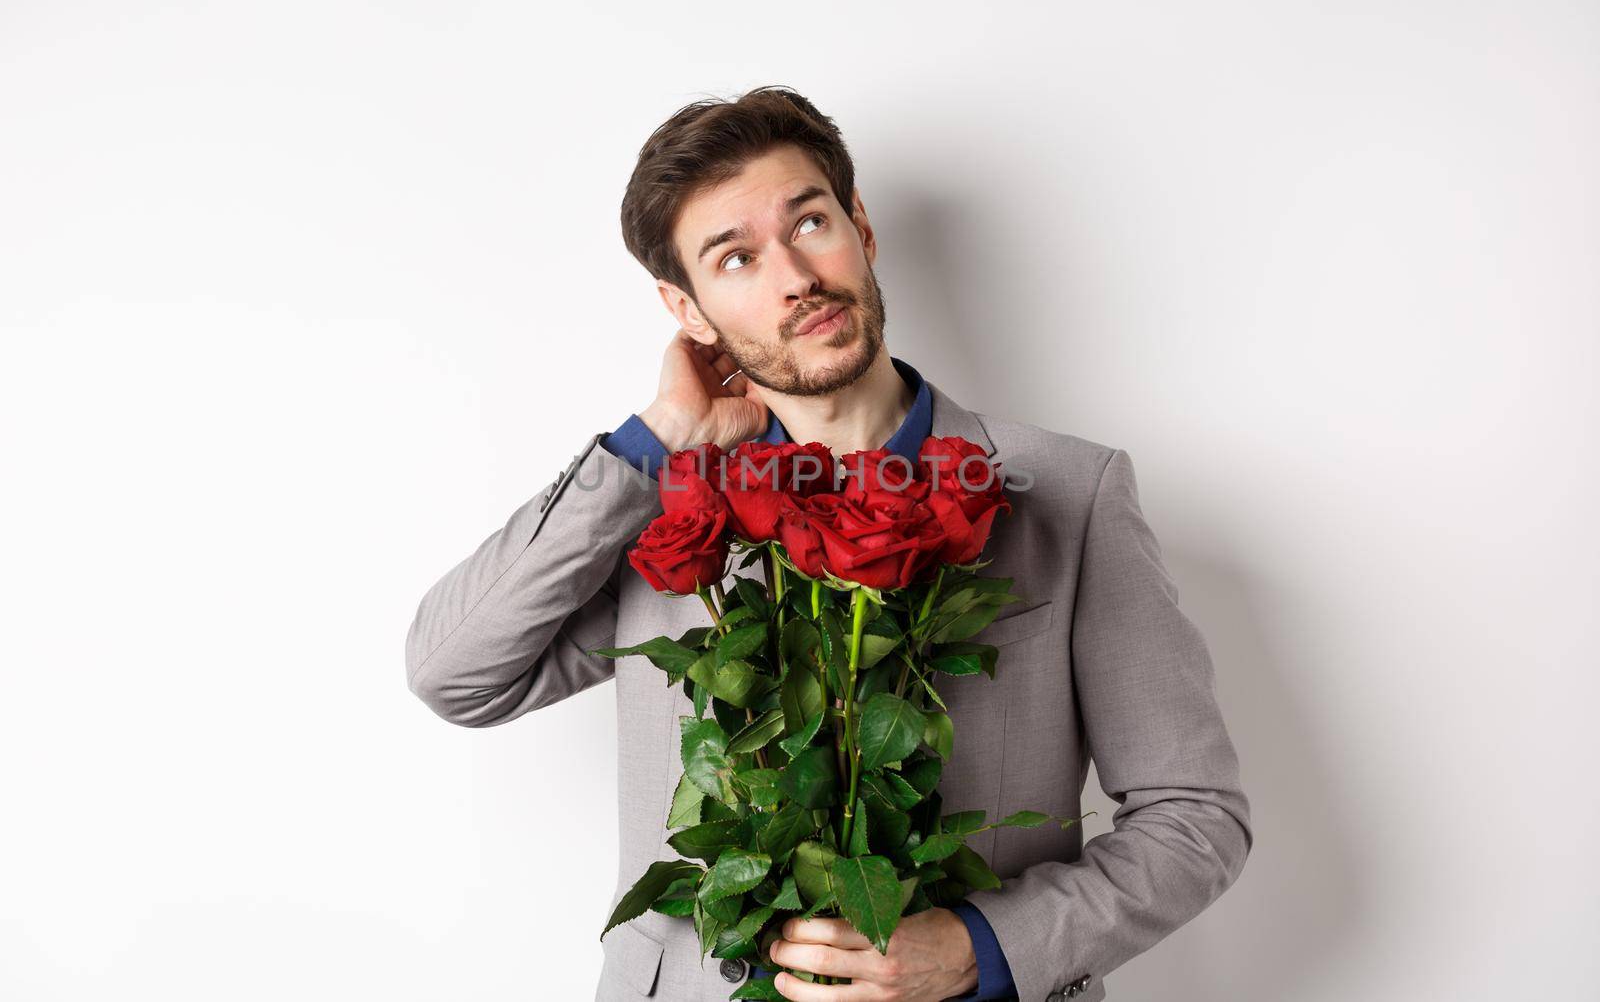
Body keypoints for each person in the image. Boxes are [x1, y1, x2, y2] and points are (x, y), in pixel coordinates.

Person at [404, 86, 1253, 1001]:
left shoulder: (1070, 492)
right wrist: (652, 441)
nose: (794, 276)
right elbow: (456, 672)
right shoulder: (657, 507)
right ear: (686, 310)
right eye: (735, 259)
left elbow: (1194, 817)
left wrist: (980, 948)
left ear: (861, 227)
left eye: (808, 222)